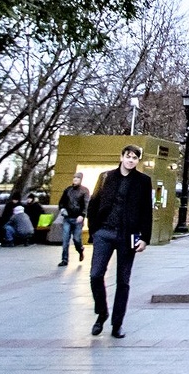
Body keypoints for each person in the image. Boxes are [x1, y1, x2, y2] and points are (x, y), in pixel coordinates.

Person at [87, 144, 155, 339]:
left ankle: (117, 323)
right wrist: (94, 231)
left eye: (135, 158)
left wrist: (144, 238)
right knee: (95, 275)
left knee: (123, 281)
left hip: (128, 235)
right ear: (122, 157)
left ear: (138, 161)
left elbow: (146, 211)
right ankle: (102, 313)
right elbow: (93, 204)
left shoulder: (143, 181)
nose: (131, 160)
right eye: (128, 156)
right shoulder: (106, 177)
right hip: (104, 232)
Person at [57, 172, 90, 266]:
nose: (75, 179)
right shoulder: (68, 190)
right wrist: (62, 209)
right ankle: (64, 259)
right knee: (65, 240)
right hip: (67, 218)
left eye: (77, 178)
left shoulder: (84, 191)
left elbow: (86, 204)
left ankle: (80, 249)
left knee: (76, 239)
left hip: (77, 219)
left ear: (81, 179)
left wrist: (82, 215)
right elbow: (61, 202)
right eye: (74, 177)